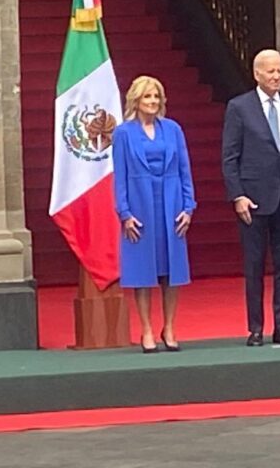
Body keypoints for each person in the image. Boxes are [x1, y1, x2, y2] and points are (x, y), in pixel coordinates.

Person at [222, 49, 280, 347]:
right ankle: (256, 327)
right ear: (257, 73)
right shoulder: (239, 107)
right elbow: (230, 156)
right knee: (255, 265)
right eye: (270, 71)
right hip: (254, 199)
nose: (276, 76)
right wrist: (238, 195)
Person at [113, 75, 196, 353]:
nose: (152, 102)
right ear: (136, 100)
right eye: (147, 97)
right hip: (139, 206)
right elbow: (120, 177)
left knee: (171, 270)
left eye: (156, 97)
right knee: (143, 270)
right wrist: (124, 213)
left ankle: (169, 327)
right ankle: (146, 329)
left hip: (171, 204)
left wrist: (188, 206)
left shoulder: (173, 129)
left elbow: (185, 169)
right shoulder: (123, 133)